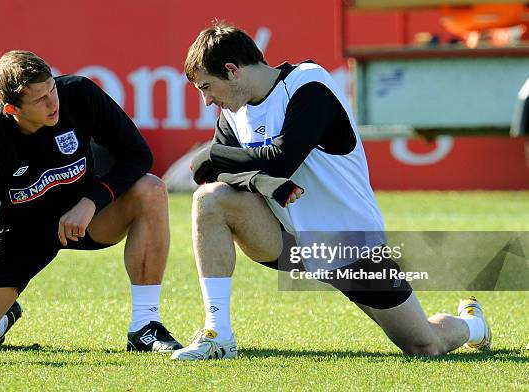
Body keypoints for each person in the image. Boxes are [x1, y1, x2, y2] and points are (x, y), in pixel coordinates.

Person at [170, 22, 491, 360]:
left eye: (207, 86)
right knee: (211, 199)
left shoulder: (308, 83)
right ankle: (217, 333)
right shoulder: (232, 113)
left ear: (232, 71)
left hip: (349, 243)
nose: (207, 100)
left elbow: (280, 158)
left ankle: (473, 325)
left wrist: (213, 152)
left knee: (425, 346)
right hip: (286, 241)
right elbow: (214, 173)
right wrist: (262, 183)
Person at [0, 50, 182, 355]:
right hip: (19, 238)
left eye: (52, 89)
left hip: (83, 218)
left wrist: (92, 200)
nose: (54, 103)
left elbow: (138, 155)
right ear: (12, 109)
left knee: (151, 190)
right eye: (40, 100)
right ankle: (5, 316)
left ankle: (145, 327)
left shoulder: (78, 93)